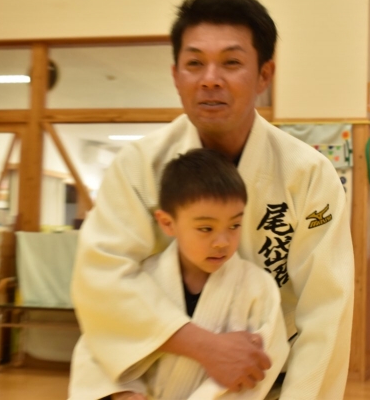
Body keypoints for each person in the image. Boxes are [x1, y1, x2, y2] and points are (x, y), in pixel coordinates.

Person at [70, 0, 354, 399]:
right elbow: (102, 277)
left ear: (264, 75)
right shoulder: (140, 165)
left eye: (231, 62)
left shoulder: (307, 175)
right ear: (176, 75)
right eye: (195, 63)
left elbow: (326, 309)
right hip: (148, 380)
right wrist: (204, 347)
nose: (210, 79)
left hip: (262, 380)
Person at [68, 148, 289, 400]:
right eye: (206, 228)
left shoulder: (258, 287)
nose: (222, 242)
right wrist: (123, 392)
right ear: (167, 223)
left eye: (234, 225)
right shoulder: (143, 280)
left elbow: (258, 365)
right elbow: (99, 343)